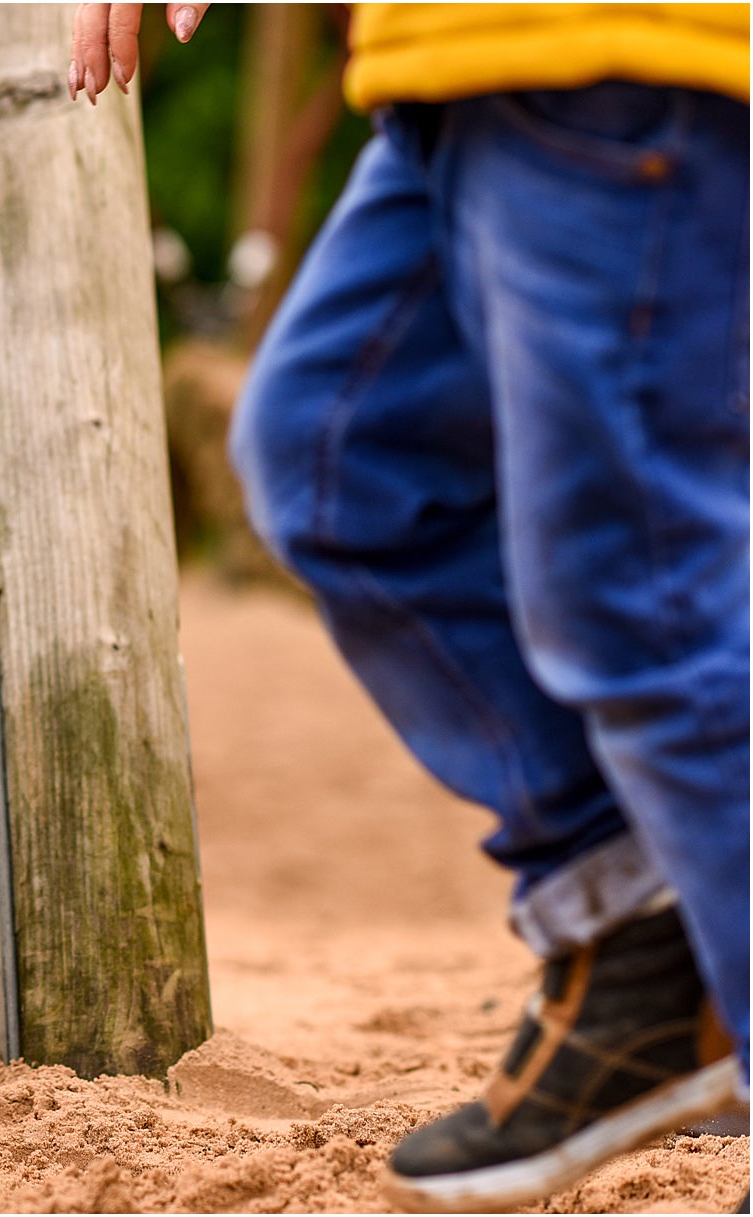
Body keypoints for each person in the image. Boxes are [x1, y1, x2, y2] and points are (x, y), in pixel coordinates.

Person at [71, 4, 748, 1211]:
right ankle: (642, 924)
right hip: (441, 62)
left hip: (615, 43)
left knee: (635, 585)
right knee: (334, 463)